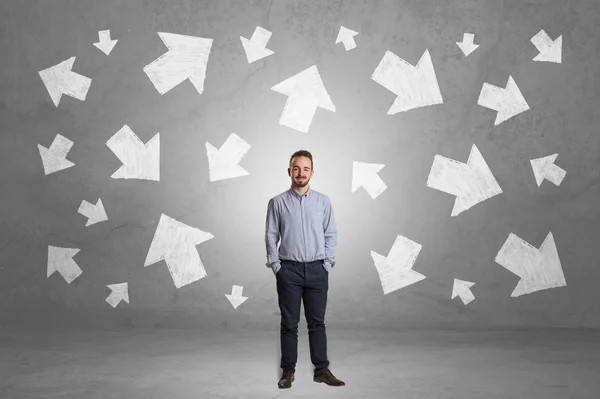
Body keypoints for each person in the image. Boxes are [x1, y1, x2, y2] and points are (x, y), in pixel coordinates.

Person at [265, 150, 345, 389]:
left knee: (317, 323)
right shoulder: (277, 202)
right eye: (296, 168)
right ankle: (288, 371)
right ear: (290, 171)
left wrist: (327, 264)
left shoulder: (323, 201)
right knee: (289, 323)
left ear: (312, 172)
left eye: (306, 168)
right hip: (288, 271)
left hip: (317, 270)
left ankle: (321, 370)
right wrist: (276, 266)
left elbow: (331, 233)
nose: (301, 173)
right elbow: (271, 236)